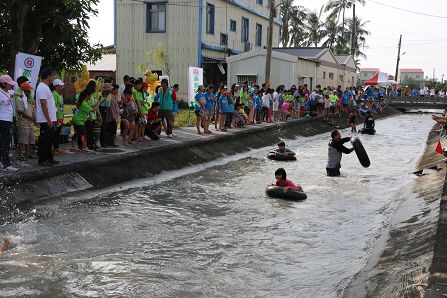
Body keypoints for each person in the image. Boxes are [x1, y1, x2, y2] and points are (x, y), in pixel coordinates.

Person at [36, 68, 59, 167]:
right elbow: (43, 105)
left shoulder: (45, 87)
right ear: (48, 76)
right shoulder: (42, 87)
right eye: (52, 75)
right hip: (45, 119)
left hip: (49, 119)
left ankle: (49, 157)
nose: (53, 77)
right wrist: (49, 120)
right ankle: (43, 159)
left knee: (49, 140)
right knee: (44, 140)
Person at [0, 75, 18, 171]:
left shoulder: (9, 91)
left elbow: (14, 92)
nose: (11, 85)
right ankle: (4, 163)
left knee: (7, 143)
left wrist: (20, 95)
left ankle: (5, 162)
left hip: (8, 121)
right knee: (3, 142)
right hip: (2, 121)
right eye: (9, 84)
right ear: (3, 84)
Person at [15, 82, 35, 161]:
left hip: (29, 123)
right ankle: (21, 155)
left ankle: (27, 154)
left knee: (29, 140)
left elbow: (31, 110)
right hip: (23, 123)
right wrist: (31, 118)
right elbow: (20, 112)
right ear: (24, 91)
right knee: (23, 141)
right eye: (28, 91)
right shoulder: (20, 100)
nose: (29, 92)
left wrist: (33, 116)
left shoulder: (28, 100)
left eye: (29, 91)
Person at [52, 79, 65, 153]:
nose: (62, 87)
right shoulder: (54, 94)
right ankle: (55, 148)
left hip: (60, 117)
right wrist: (56, 117)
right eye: (60, 85)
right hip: (57, 117)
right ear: (56, 86)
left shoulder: (59, 94)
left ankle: (56, 147)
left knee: (58, 132)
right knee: (56, 133)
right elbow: (54, 107)